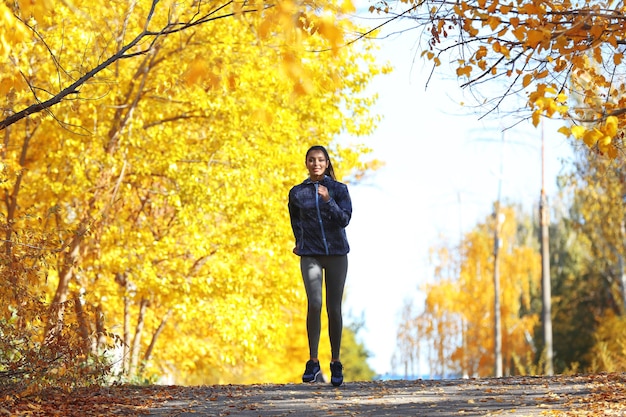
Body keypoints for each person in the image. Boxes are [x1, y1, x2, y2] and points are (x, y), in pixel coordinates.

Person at [288, 145, 352, 387]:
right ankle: (313, 361)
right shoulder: (297, 193)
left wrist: (328, 201)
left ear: (326, 163)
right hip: (310, 254)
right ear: (306, 163)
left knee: (333, 308)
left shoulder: (339, 189)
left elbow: (344, 220)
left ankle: (335, 362)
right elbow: (295, 221)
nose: (316, 164)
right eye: (312, 160)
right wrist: (299, 243)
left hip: (336, 254)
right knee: (314, 303)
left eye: (320, 160)